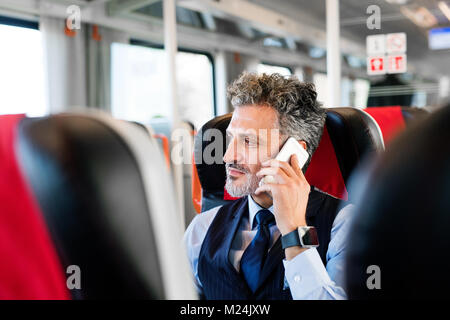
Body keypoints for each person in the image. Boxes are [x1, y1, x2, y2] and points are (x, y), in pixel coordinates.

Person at [184, 72, 353, 300]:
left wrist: (295, 231)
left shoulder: (344, 225)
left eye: (248, 141)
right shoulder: (202, 228)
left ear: (294, 153)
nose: (227, 156)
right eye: (231, 138)